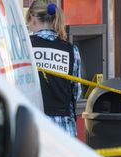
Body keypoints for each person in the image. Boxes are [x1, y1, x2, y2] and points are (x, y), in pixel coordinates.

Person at [26, 0, 81, 137]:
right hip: (63, 130)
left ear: (32, 19)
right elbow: (76, 92)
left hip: (31, 126)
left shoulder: (24, 48)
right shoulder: (71, 50)